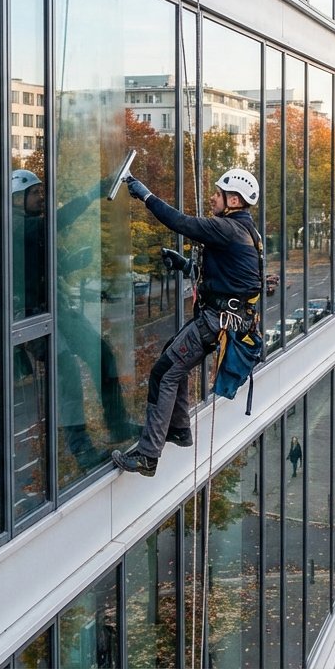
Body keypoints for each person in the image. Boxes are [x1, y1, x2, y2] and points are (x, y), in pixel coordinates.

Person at [111, 169, 264, 477]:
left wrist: (146, 196)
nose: (212, 197)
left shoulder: (228, 228)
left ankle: (147, 456)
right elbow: (226, 278)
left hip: (216, 322)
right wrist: (183, 265)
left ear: (233, 200)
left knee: (163, 373)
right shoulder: (244, 230)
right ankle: (179, 428)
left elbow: (181, 222)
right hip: (223, 321)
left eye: (218, 194)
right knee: (173, 359)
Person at [5, 170, 134, 470]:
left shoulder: (30, 227)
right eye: (35, 192)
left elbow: (49, 264)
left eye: (41, 191)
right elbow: (54, 225)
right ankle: (81, 449)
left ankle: (118, 424)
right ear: (16, 198)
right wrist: (89, 195)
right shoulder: (13, 226)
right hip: (29, 316)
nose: (42, 197)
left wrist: (74, 260)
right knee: (67, 372)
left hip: (53, 309)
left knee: (101, 353)